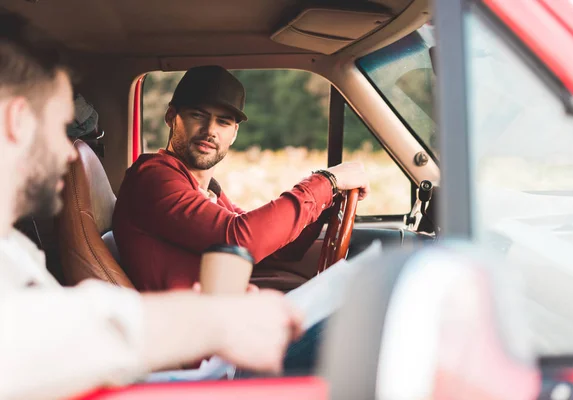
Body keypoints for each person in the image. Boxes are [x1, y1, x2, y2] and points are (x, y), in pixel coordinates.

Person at [0, 37, 304, 399]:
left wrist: (207, 313)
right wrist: (210, 321)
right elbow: (38, 339)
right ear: (17, 119)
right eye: (60, 128)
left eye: (223, 122)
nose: (70, 152)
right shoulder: (156, 175)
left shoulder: (15, 249)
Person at [113, 65, 370, 292]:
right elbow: (241, 239)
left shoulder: (207, 191)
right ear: (172, 117)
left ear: (234, 134)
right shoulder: (153, 177)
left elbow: (279, 252)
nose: (210, 130)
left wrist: (324, 207)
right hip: (188, 336)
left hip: (216, 322)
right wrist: (326, 181)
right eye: (198, 115)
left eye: (223, 122)